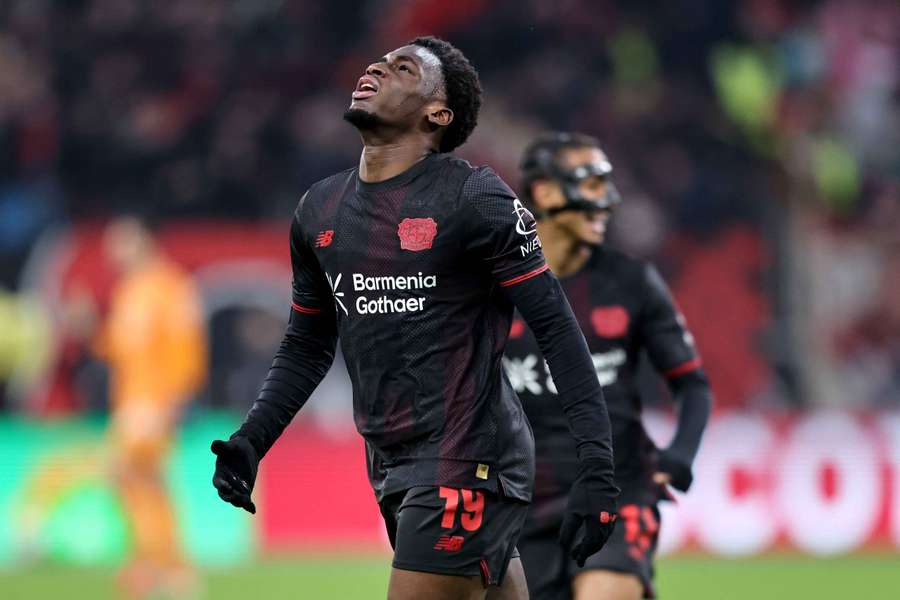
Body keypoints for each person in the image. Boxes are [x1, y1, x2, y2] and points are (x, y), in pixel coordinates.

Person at [210, 37, 619, 600]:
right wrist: (252, 440)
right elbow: (306, 347)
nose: (376, 68)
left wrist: (597, 465)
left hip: (468, 456)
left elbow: (557, 330)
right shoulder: (319, 211)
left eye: (402, 69)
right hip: (390, 462)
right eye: (378, 62)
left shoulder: (474, 198)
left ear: (437, 114)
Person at [505, 133, 713, 600]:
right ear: (545, 193)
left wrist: (681, 452)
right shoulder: (494, 289)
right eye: (592, 185)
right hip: (522, 503)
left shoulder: (631, 282)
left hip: (619, 489)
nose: (609, 200)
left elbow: (691, 384)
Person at [95, 215, 207, 598]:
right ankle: (163, 566)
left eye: (120, 241)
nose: (112, 250)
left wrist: (174, 399)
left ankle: (162, 565)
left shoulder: (170, 286)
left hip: (153, 403)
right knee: (141, 482)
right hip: (129, 401)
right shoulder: (128, 289)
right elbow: (120, 348)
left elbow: (187, 346)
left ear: (143, 240)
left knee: (128, 475)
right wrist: (91, 332)